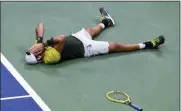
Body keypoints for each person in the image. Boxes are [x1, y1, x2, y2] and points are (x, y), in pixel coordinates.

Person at [26, 7, 165, 64]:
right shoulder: (50, 58)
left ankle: (107, 21)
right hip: (87, 48)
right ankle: (147, 45)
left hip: (76, 37)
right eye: (34, 52)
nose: (34, 49)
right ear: (38, 57)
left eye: (33, 49)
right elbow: (60, 38)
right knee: (116, 46)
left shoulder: (39, 49)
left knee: (90, 30)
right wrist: (43, 44)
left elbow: (40, 26)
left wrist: (38, 40)